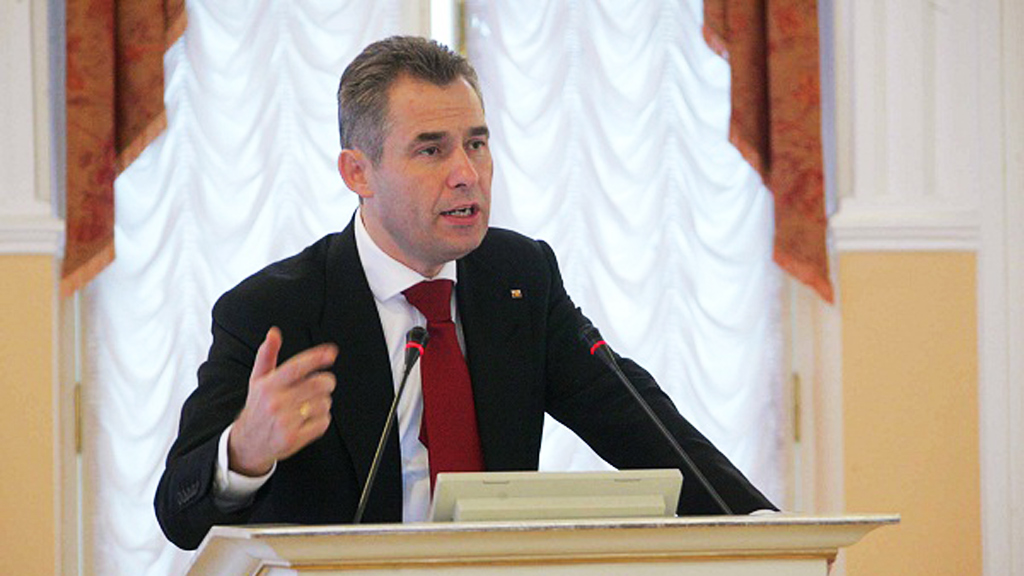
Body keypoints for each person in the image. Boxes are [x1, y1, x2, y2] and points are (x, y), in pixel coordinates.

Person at [155, 35, 775, 551]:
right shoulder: (273, 312)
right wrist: (243, 454)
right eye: (431, 150)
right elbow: (178, 515)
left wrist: (767, 531)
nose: (467, 173)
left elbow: (638, 421)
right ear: (358, 172)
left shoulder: (520, 278)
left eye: (476, 143)